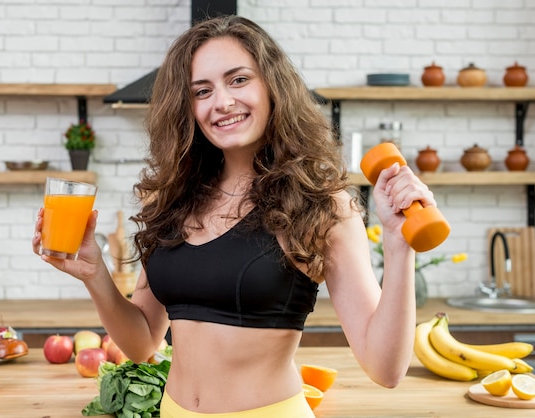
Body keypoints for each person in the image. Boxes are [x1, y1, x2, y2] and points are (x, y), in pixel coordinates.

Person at [32, 15, 438, 418]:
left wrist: (399, 247)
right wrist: (94, 274)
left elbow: (385, 369)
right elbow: (142, 343)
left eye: (239, 79)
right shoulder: (173, 201)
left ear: (272, 86)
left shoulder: (322, 206)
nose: (222, 102)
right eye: (202, 90)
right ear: (187, 107)